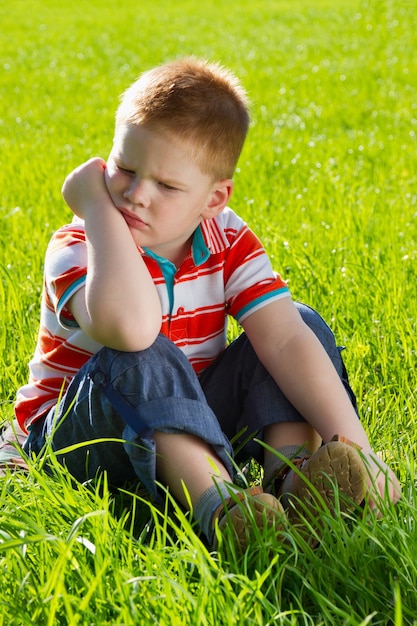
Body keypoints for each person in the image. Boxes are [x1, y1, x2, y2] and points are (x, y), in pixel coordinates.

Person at [15, 57, 401, 550]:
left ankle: (294, 483)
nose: (135, 195)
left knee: (296, 325)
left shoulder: (226, 237)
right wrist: (95, 207)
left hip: (190, 415)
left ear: (214, 198)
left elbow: (283, 339)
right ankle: (225, 512)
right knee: (142, 355)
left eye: (166, 186)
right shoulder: (82, 243)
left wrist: (362, 453)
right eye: (124, 169)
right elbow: (131, 333)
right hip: (79, 438)